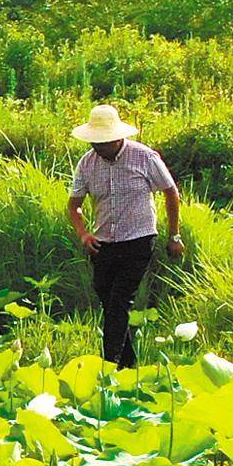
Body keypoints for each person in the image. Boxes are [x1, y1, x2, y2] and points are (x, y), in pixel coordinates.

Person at [64, 104, 182, 370]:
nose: (99, 147)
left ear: (118, 138)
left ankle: (109, 367)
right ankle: (129, 366)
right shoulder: (87, 163)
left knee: (119, 301)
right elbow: (74, 205)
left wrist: (174, 235)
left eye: (104, 142)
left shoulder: (144, 157)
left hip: (139, 239)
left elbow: (171, 192)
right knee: (108, 301)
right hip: (104, 243)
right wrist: (83, 234)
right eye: (95, 142)